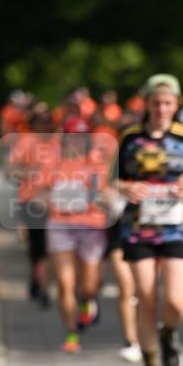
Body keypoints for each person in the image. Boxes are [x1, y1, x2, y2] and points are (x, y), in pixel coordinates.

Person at [113, 73, 183, 366]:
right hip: (139, 227)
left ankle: (169, 333)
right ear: (147, 104)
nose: (162, 108)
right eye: (156, 102)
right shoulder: (129, 137)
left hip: (178, 226)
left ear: (177, 104)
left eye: (168, 103)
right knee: (146, 297)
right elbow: (115, 181)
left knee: (176, 302)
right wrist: (128, 187)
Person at [44, 117, 111, 353]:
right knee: (64, 282)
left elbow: (106, 193)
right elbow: (39, 189)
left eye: (82, 137)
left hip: (90, 226)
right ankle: (71, 333)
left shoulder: (97, 162)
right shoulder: (52, 160)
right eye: (73, 136)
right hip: (60, 223)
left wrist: (107, 200)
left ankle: (86, 302)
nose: (77, 141)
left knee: (90, 285)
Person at [6, 103, 58, 307]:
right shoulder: (26, 141)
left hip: (56, 203)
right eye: (39, 122)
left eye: (47, 121)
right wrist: (29, 173)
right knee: (38, 247)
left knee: (50, 247)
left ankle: (44, 286)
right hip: (31, 201)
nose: (43, 126)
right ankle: (38, 281)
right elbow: (10, 170)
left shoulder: (59, 142)